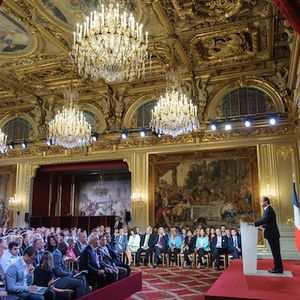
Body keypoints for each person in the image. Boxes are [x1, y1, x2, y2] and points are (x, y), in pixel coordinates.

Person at [254, 196, 283, 273]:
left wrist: (254, 224)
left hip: (272, 234)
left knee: (276, 252)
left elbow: (264, 220)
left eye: (261, 201)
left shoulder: (269, 210)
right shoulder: (267, 210)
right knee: (275, 252)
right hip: (272, 234)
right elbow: (268, 222)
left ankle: (278, 269)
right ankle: (277, 268)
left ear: (266, 201)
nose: (259, 202)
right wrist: (261, 226)